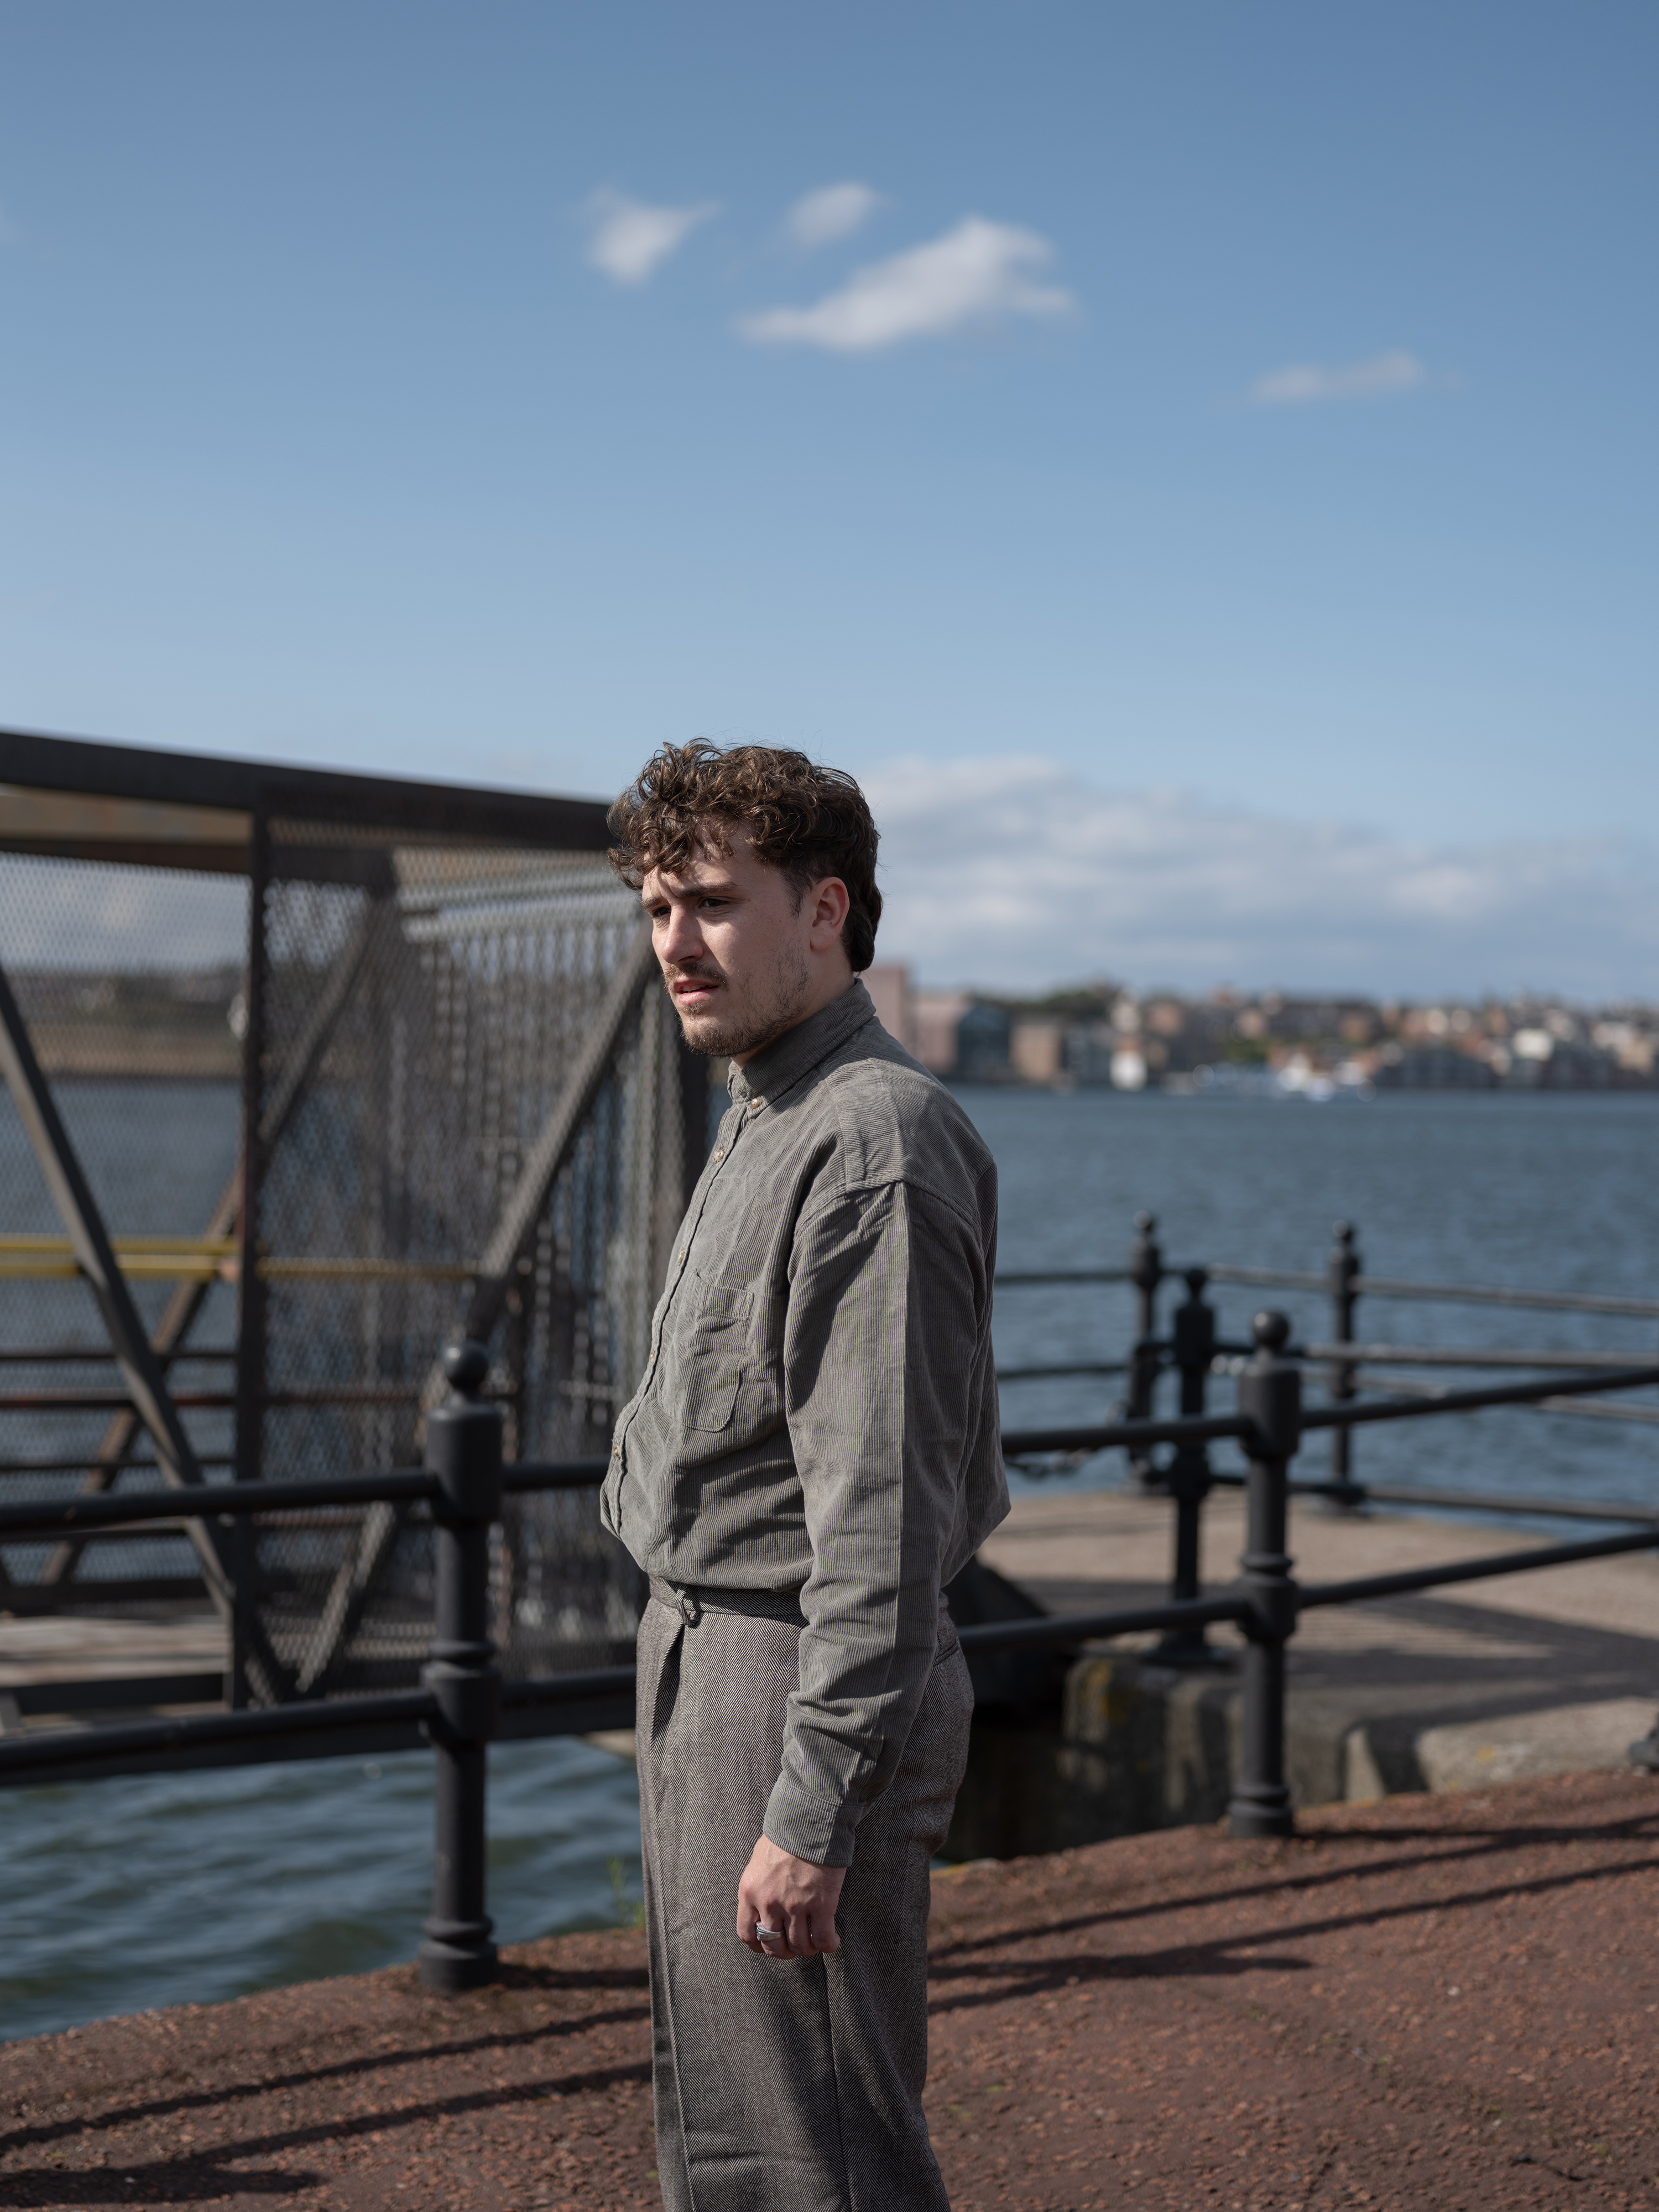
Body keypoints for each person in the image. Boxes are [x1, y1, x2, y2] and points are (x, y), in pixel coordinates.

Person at [601, 740, 1008, 2212]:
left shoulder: (870, 1142)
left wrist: (812, 1808)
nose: (675, 943)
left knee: (816, 2144)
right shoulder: (771, 1108)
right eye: (659, 909)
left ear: (825, 910)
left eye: (712, 903)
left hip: (788, 1674)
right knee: (740, 2121)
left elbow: (883, 1527)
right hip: (715, 1653)